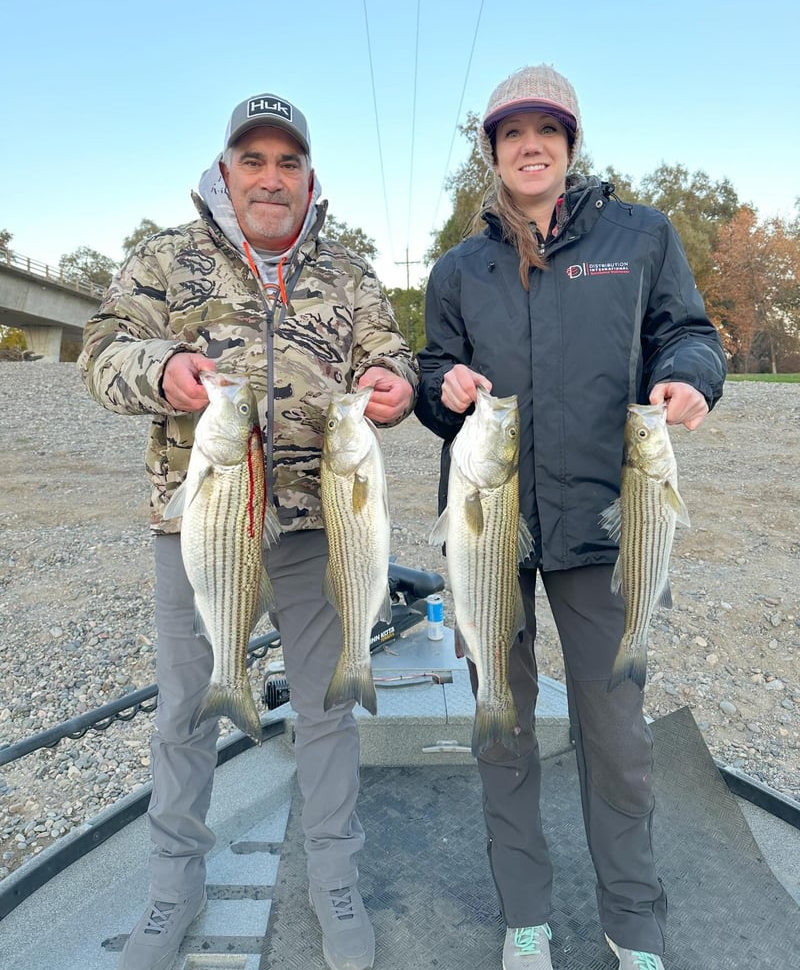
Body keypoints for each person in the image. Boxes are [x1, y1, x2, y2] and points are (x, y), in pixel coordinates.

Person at [79, 90, 418, 970]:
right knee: (185, 711)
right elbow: (100, 352)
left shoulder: (349, 273)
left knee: (328, 708)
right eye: (254, 160)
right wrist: (164, 369)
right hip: (201, 532)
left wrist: (393, 385)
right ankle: (171, 890)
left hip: (321, 531)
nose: (272, 178)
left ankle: (334, 878)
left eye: (289, 162)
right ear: (226, 170)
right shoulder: (165, 258)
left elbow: (388, 354)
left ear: (311, 178)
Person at [415, 64, 726, 970]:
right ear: (493, 151)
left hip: (604, 531)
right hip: (487, 536)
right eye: (513, 132)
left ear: (571, 143)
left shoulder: (641, 237)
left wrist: (690, 379)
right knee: (500, 731)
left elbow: (690, 333)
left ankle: (634, 925)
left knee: (618, 739)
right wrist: (445, 384)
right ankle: (526, 918)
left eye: (548, 129)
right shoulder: (458, 266)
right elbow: (435, 373)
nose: (532, 144)